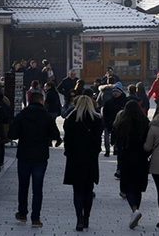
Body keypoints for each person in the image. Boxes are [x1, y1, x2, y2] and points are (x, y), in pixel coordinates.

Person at [8, 91, 62, 228]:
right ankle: (36, 218)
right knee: (38, 188)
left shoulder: (21, 115)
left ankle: (22, 213)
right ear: (41, 101)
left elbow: (12, 134)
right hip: (40, 156)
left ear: (30, 100)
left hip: (24, 154)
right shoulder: (46, 116)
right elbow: (55, 134)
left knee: (23, 186)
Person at [62, 95, 102, 231]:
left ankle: (79, 217)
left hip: (75, 159)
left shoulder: (71, 118)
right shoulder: (96, 119)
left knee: (77, 191)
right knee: (88, 190)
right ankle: (86, 218)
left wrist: (68, 152)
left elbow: (67, 140)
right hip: (90, 159)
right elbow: (98, 141)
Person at [112, 100, 151, 229]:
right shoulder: (145, 123)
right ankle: (136, 210)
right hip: (141, 158)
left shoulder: (122, 123)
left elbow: (116, 140)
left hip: (126, 158)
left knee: (128, 187)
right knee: (138, 187)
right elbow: (149, 142)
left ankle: (134, 210)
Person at [102, 85, 127, 157]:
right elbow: (105, 112)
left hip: (120, 123)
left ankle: (116, 149)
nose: (115, 93)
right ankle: (107, 150)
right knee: (106, 138)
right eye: (114, 91)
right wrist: (105, 122)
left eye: (117, 91)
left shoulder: (124, 101)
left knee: (117, 137)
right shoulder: (109, 102)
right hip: (109, 122)